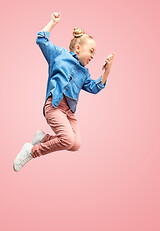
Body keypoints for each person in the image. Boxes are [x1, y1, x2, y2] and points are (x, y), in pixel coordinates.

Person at [13, 12, 115, 172]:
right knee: (67, 140)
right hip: (53, 106)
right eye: (91, 51)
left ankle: (42, 138)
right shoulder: (59, 55)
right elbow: (41, 39)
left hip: (68, 113)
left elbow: (95, 88)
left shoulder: (84, 73)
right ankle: (31, 151)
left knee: (75, 145)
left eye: (94, 54)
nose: (93, 56)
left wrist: (107, 71)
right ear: (79, 47)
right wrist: (52, 23)